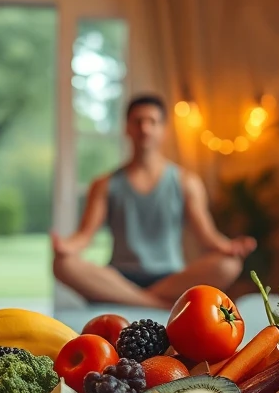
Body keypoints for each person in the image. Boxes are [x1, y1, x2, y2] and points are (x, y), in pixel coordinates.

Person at [51, 94, 257, 309]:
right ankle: (158, 304)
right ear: (127, 128)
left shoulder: (186, 182)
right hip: (119, 277)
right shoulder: (104, 184)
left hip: (171, 279)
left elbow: (207, 237)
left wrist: (230, 247)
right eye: (138, 121)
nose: (145, 128)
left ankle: (131, 299)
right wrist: (66, 246)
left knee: (228, 265)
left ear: (164, 129)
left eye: (153, 122)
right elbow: (85, 236)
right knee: (62, 264)